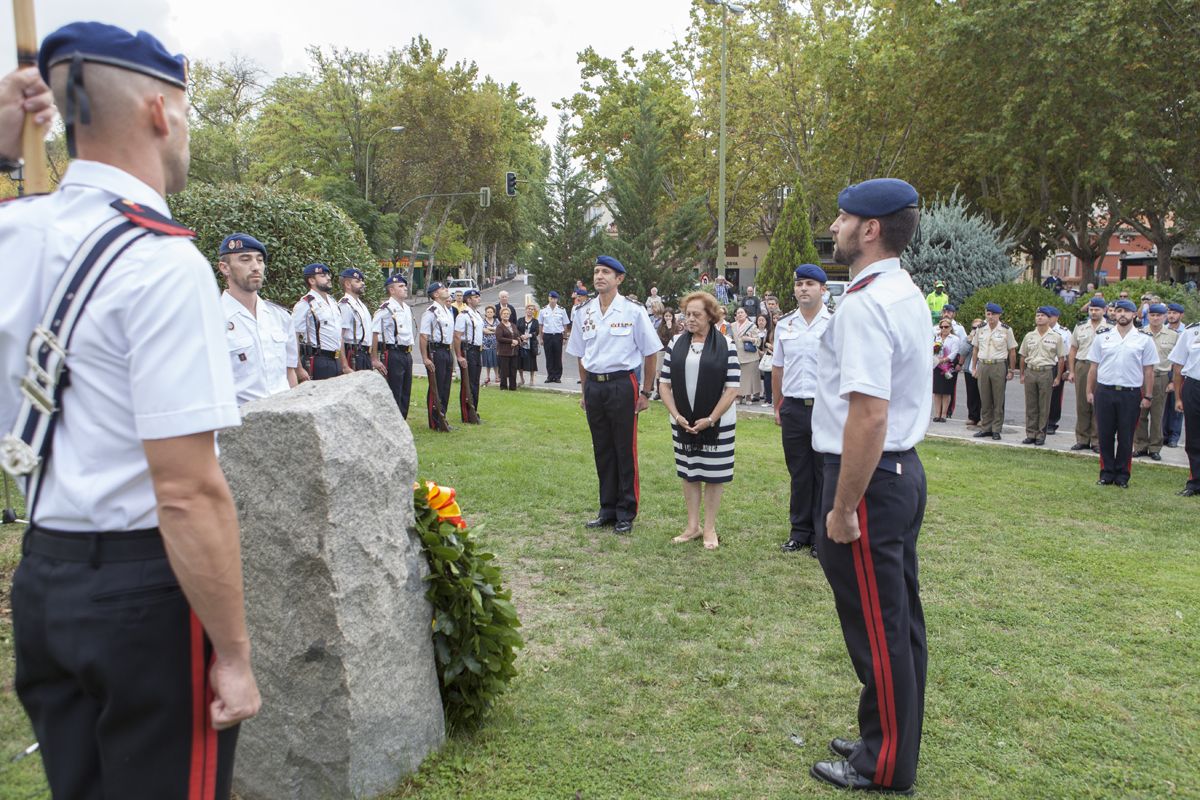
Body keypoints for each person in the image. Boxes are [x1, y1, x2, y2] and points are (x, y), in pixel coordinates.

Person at [2, 23, 260, 797]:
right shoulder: (162, 261)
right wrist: (237, 653)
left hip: (44, 573)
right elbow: (185, 490)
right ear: (158, 110)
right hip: (140, 595)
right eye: (186, 108)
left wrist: (3, 154)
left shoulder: (14, 235)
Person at [810, 178, 929, 794]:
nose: (835, 227)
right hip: (900, 473)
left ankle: (883, 765)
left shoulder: (864, 303)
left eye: (843, 217)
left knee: (878, 631)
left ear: (871, 229)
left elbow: (868, 414)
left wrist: (843, 507)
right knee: (899, 622)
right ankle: (887, 739)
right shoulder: (901, 289)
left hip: (872, 478)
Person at [566, 255, 661, 535]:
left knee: (624, 449)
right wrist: (585, 390)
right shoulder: (583, 312)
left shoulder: (632, 310)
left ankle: (626, 511)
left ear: (619, 279)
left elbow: (650, 351)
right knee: (602, 448)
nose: (599, 276)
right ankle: (607, 509)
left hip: (622, 384)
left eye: (605, 272)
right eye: (596, 271)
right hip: (594, 386)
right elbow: (581, 355)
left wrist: (646, 391)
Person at [658, 292, 741, 550]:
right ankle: (692, 526)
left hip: (718, 424)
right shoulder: (675, 343)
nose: (690, 319)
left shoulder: (726, 344)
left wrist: (711, 418)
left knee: (713, 475)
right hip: (683, 422)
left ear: (710, 316)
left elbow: (732, 388)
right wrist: (676, 415)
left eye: (697, 315)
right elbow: (664, 384)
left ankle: (709, 528)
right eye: (687, 314)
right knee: (690, 472)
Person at [772, 264, 831, 557]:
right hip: (794, 406)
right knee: (799, 473)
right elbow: (778, 368)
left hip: (825, 408)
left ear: (823, 289)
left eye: (810, 284)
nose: (803, 289)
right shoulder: (785, 324)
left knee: (824, 472)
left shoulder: (834, 323)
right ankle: (799, 532)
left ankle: (822, 537)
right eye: (799, 284)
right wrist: (777, 405)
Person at [217, 232, 298, 406]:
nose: (256, 267)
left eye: (259, 260)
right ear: (225, 268)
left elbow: (289, 373)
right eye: (245, 260)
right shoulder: (213, 320)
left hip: (286, 418)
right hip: (240, 423)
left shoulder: (281, 317)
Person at [1086, 299, 1158, 488]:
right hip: (1105, 391)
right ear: (1113, 314)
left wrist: (1148, 395)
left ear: (1135, 314)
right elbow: (1093, 366)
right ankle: (1106, 473)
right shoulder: (1103, 336)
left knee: (1126, 437)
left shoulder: (1144, 338)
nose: (1122, 314)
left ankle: (1122, 475)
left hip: (1130, 393)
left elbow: (1148, 370)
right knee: (1105, 435)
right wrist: (1089, 391)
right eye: (1119, 311)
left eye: (1127, 311)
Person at [1132, 303, 1179, 461]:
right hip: (1141, 377)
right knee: (1140, 413)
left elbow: (1177, 361)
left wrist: (1173, 381)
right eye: (1152, 315)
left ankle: (1154, 447)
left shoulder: (1173, 335)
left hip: (1161, 376)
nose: (1155, 318)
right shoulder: (1139, 333)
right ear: (1148, 316)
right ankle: (1140, 445)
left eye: (1159, 315)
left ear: (1165, 317)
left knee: (1157, 414)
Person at [1017, 307, 1068, 445]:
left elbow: (1061, 358)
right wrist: (1022, 374)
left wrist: (1057, 377)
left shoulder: (1056, 337)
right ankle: (1031, 433)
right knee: (1031, 405)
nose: (1039, 317)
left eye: (1043, 316)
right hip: (1031, 371)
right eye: (1037, 315)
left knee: (1044, 405)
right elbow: (1022, 356)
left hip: (1046, 371)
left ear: (1049, 318)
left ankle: (1040, 435)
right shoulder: (1029, 336)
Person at [369, 273, 414, 418]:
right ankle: (393, 423)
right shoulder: (386, 308)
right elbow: (374, 332)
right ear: (392, 290)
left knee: (406, 391)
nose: (405, 288)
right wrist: (374, 358)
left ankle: (403, 422)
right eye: (401, 286)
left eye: (405, 285)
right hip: (394, 353)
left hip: (407, 353)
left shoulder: (406, 307)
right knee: (395, 390)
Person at [970, 302, 1017, 440]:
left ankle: (996, 429)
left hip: (998, 365)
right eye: (988, 314)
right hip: (983, 364)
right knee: (984, 398)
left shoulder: (1006, 330)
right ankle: (986, 427)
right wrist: (974, 367)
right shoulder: (981, 329)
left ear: (999, 315)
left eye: (993, 314)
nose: (990, 317)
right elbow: (975, 349)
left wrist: (1011, 370)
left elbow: (1012, 351)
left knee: (998, 399)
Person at [1068, 297, 1110, 451]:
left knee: (1099, 404)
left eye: (1097, 310)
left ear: (1104, 310)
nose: (1093, 312)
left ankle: (1097, 440)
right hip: (1083, 365)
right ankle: (1082, 438)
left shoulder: (1111, 328)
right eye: (1091, 309)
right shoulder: (1080, 327)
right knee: (1082, 404)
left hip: (1102, 368)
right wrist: (1072, 371)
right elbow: (1073, 349)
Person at [293, 263, 347, 380]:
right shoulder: (306, 304)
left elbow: (338, 335)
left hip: (336, 360)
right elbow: (294, 336)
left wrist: (344, 364)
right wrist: (298, 368)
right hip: (319, 360)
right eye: (323, 276)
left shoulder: (333, 302)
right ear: (312, 280)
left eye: (328, 275)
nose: (328, 278)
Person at [1168, 317, 1200, 495]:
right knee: (1194, 438)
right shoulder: (1191, 332)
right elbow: (1178, 367)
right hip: (1195, 386)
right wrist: (1178, 398)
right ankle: (1195, 482)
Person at [419, 281, 455, 432]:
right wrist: (425, 358)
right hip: (436, 351)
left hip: (446, 350)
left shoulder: (447, 310)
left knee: (446, 387)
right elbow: (423, 336)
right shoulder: (431, 312)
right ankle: (434, 421)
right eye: (442, 288)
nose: (446, 289)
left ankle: (442, 417)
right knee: (436, 386)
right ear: (435, 294)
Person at [453, 288, 485, 423]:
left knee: (475, 382)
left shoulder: (476, 314)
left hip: (478, 350)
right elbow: (457, 336)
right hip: (468, 350)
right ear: (469, 300)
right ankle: (466, 414)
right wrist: (459, 356)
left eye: (478, 297)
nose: (478, 299)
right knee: (468, 382)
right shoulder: (463, 315)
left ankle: (474, 410)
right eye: (475, 297)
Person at [337, 268, 372, 372]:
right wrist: (344, 365)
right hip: (354, 354)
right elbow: (340, 336)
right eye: (357, 281)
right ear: (347, 284)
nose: (362, 283)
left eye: (362, 281)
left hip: (365, 354)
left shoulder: (360, 304)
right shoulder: (345, 305)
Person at [1162, 303, 1187, 447]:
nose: (1171, 316)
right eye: (1170, 313)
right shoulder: (1164, 329)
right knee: (1163, 406)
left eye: (1175, 313)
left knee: (1177, 404)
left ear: (1181, 315)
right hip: (1164, 369)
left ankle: (1174, 437)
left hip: (1179, 371)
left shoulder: (1186, 331)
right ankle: (1164, 435)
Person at [1044, 307, 1071, 434]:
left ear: (1056, 317)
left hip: (1057, 365)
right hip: (1042, 365)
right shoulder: (1039, 330)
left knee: (1055, 395)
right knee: (1040, 394)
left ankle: (1051, 422)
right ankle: (1040, 421)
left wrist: (1069, 370)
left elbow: (1069, 353)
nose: (1047, 319)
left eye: (1050, 316)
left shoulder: (1064, 333)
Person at [932, 319, 962, 423]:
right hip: (936, 366)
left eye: (946, 327)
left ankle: (944, 414)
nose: (943, 329)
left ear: (950, 328)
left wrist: (944, 360)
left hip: (948, 366)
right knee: (936, 391)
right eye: (941, 327)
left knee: (946, 391)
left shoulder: (954, 339)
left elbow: (954, 353)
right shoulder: (936, 337)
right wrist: (936, 360)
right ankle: (937, 413)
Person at [731, 307, 761, 402]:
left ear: (746, 314)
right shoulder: (732, 325)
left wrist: (749, 339)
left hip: (750, 355)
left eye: (741, 312)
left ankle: (748, 396)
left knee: (749, 378)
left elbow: (758, 341)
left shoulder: (752, 326)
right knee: (738, 377)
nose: (739, 314)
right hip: (736, 355)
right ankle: (739, 396)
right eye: (738, 313)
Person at [540, 291, 570, 382]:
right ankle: (550, 375)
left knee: (557, 356)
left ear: (557, 299)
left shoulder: (561, 310)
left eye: (554, 299)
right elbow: (541, 325)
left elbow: (565, 325)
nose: (553, 300)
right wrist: (541, 338)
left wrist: (565, 337)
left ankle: (557, 376)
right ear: (548, 298)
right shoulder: (543, 310)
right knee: (548, 356)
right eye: (551, 298)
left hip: (557, 336)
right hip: (547, 336)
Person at [654, 307, 682, 400]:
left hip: (672, 351)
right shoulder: (660, 326)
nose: (668, 318)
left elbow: (674, 339)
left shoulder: (676, 326)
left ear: (673, 317)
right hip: (662, 350)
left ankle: (671, 392)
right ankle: (659, 392)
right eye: (666, 316)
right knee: (659, 371)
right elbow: (660, 339)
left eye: (670, 316)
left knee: (672, 372)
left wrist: (670, 328)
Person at [961, 319, 983, 426]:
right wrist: (970, 340)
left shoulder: (985, 337)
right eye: (974, 328)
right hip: (969, 369)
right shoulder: (968, 338)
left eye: (978, 327)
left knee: (983, 394)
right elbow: (962, 351)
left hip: (982, 369)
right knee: (971, 394)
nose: (976, 330)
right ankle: (973, 417)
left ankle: (982, 418)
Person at [495, 305, 520, 390]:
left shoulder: (513, 325)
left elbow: (517, 336)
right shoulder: (499, 326)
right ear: (501, 315)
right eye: (504, 313)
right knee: (504, 371)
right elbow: (499, 338)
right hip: (504, 352)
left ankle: (513, 387)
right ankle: (503, 387)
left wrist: (516, 342)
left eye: (507, 314)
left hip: (514, 352)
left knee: (513, 370)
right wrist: (511, 341)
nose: (506, 315)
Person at [517, 302, 540, 386]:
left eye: (532, 309)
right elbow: (516, 330)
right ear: (526, 310)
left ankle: (531, 379)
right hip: (521, 344)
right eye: (529, 309)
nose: (530, 311)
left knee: (532, 363)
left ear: (534, 311)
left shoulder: (535, 321)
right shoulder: (520, 320)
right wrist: (521, 336)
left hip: (531, 345)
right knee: (520, 363)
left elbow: (537, 332)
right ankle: (522, 379)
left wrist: (529, 335)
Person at [755, 312, 774, 408]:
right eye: (774, 318)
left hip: (775, 356)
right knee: (766, 377)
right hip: (766, 355)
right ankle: (767, 399)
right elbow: (766, 342)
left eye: (763, 320)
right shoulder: (769, 331)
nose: (776, 320)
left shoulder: (778, 330)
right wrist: (767, 347)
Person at [481, 304, 499, 386]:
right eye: (488, 312)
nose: (489, 313)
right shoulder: (483, 321)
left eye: (491, 312)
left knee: (495, 361)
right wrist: (493, 330)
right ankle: (487, 376)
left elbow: (498, 330)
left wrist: (490, 329)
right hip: (486, 345)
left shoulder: (497, 321)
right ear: (485, 313)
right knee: (488, 361)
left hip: (495, 345)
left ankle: (497, 376)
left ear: (494, 313)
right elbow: (484, 331)